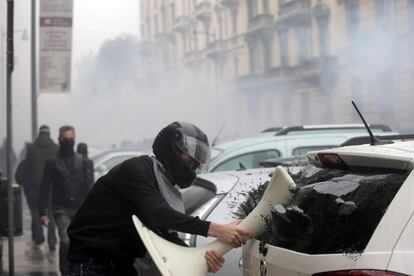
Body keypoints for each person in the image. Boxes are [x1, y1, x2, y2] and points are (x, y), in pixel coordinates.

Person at [67, 122, 251, 276]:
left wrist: (202, 258)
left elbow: (165, 234)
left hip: (121, 265)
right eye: (191, 155)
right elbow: (158, 214)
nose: (194, 163)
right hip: (92, 263)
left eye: (198, 161)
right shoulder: (137, 170)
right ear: (172, 146)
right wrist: (217, 230)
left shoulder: (164, 187)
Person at [39, 125, 94, 276]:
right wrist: (42, 211)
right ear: (60, 139)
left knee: (79, 241)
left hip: (80, 207)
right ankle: (65, 271)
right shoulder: (52, 162)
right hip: (60, 207)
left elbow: (89, 186)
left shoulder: (83, 162)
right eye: (66, 139)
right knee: (65, 240)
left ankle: (76, 269)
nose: (69, 141)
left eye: (71, 138)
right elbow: (44, 187)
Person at [15, 125, 58, 256]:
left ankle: (39, 237)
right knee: (51, 214)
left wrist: (28, 183)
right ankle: (52, 242)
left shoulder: (31, 149)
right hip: (50, 188)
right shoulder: (56, 148)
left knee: (35, 212)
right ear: (49, 134)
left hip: (33, 189)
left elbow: (25, 168)